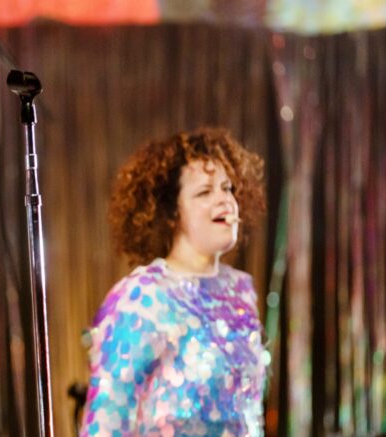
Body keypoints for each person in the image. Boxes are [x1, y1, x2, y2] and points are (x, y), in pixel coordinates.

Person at [80, 128, 268, 436]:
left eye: (227, 188)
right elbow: (106, 419)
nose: (225, 201)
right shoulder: (143, 296)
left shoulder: (240, 291)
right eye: (204, 192)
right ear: (171, 212)